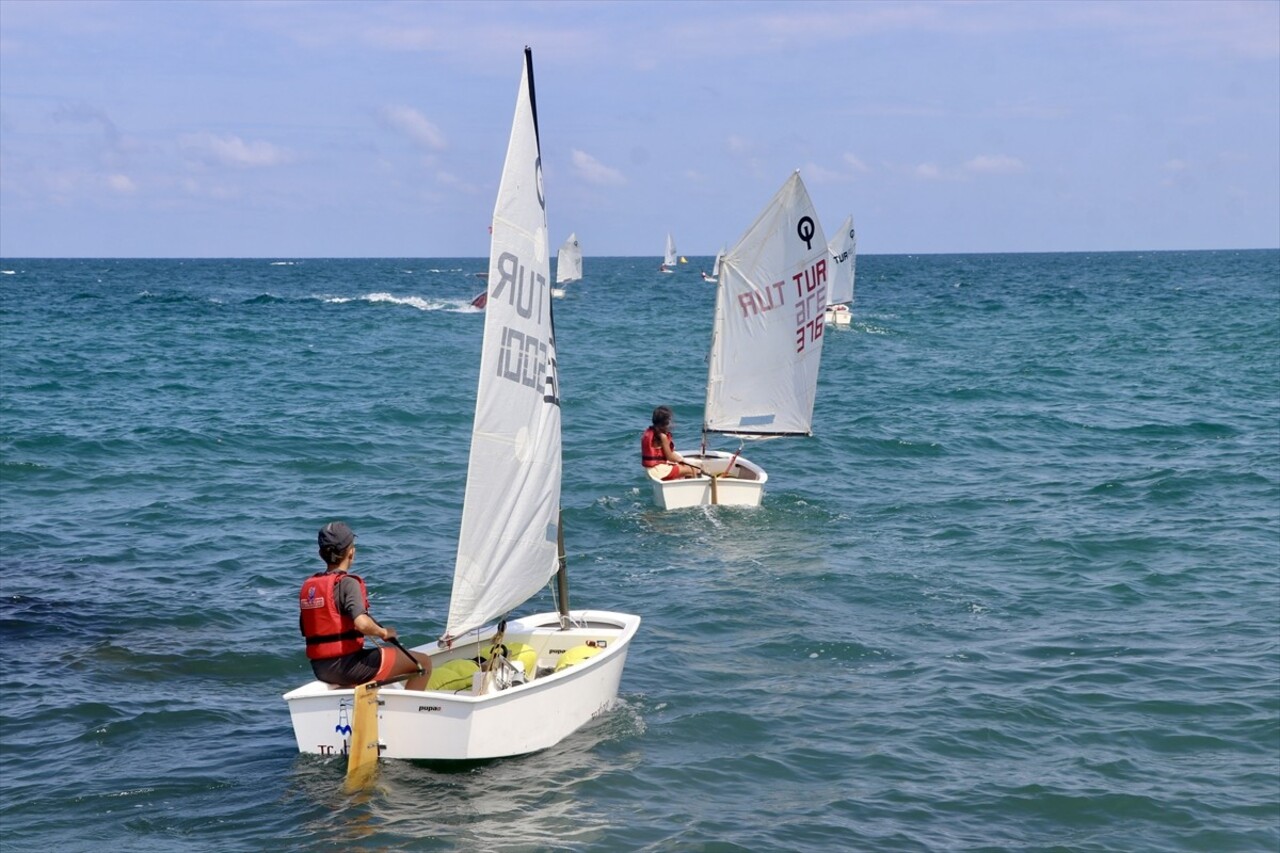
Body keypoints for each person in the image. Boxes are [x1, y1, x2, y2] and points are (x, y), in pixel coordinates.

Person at [299, 521, 431, 690]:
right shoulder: (348, 583)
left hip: (321, 669)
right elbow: (361, 623)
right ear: (351, 552)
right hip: (348, 667)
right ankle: (411, 715)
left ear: (320, 553)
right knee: (424, 663)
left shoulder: (310, 587)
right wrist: (383, 632)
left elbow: (306, 628)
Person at [641, 406, 700, 480]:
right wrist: (681, 459)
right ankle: (692, 488)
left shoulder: (648, 432)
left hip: (650, 470)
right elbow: (670, 457)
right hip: (660, 471)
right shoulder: (663, 437)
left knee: (682, 467)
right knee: (693, 469)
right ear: (665, 422)